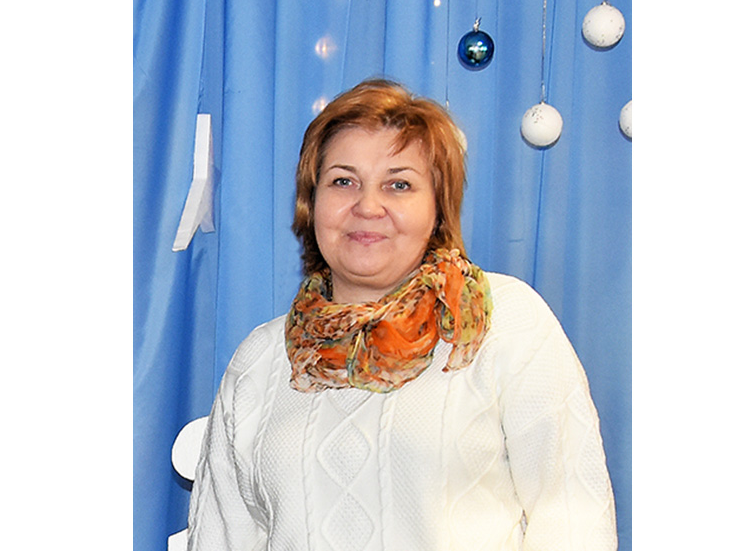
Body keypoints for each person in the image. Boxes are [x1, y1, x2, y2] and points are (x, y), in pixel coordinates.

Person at [186, 79, 618, 550]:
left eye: (399, 184)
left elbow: (574, 519)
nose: (368, 206)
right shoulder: (260, 360)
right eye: (343, 181)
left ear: (438, 209)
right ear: (311, 203)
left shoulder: (505, 322)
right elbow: (218, 538)